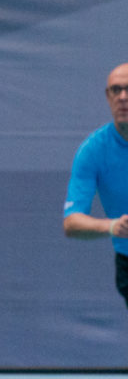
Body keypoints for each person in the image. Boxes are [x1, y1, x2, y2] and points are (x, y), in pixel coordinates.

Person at [64, 62, 128, 307]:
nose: (123, 97)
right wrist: (112, 226)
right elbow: (72, 222)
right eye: (116, 90)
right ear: (108, 96)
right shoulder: (92, 151)